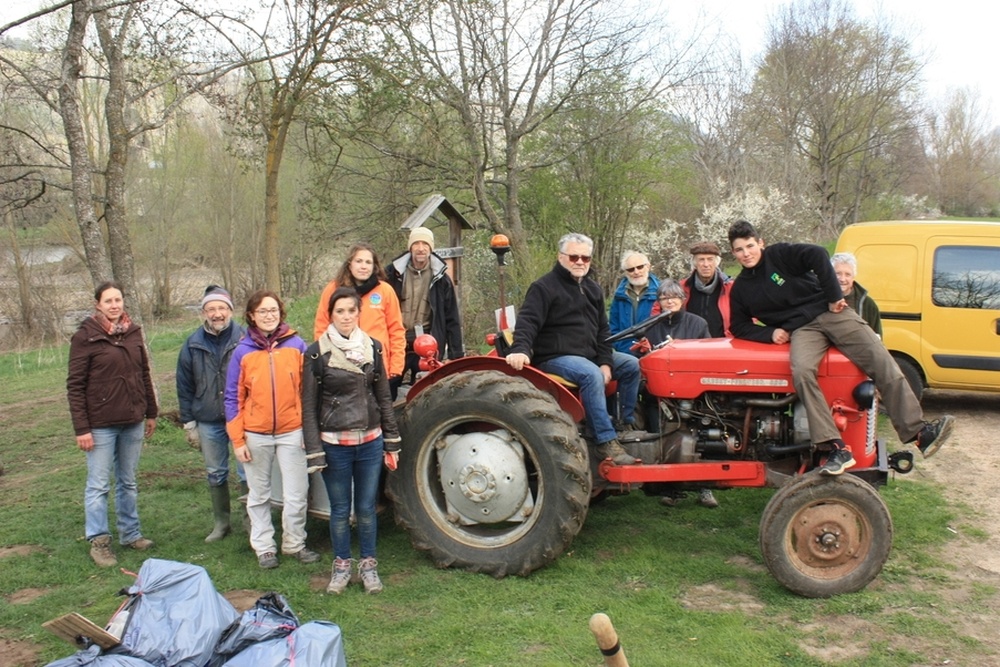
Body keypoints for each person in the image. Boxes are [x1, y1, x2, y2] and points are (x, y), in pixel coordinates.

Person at [727, 220, 955, 475]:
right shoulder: (741, 289)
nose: (746, 253)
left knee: (879, 358)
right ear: (733, 253)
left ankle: (918, 432)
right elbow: (738, 325)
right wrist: (771, 333)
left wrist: (835, 295)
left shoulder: (779, 255)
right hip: (802, 330)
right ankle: (834, 446)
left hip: (831, 311)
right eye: (739, 249)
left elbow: (818, 254)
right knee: (801, 371)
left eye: (749, 246)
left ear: (760, 243)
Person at [505, 232, 642, 465]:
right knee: (590, 374)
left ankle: (622, 423)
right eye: (574, 257)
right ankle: (604, 441)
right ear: (561, 257)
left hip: (588, 354)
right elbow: (528, 321)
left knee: (632, 364)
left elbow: (602, 331)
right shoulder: (543, 287)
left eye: (585, 258)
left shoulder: (593, 289)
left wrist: (606, 362)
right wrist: (520, 349)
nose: (580, 262)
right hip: (555, 356)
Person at [303, 287, 401, 595]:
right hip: (335, 444)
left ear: (359, 313)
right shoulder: (317, 352)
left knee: (367, 508)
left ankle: (369, 566)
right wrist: (315, 452)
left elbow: (383, 396)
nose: (346, 317)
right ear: (331, 315)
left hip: (370, 442)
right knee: (340, 509)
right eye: (339, 312)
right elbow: (308, 406)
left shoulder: (373, 347)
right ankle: (342, 565)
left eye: (351, 311)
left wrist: (391, 440)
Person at [225, 290, 321, 569]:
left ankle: (294, 543)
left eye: (273, 310)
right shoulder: (242, 352)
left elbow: (308, 391)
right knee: (259, 494)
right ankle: (264, 547)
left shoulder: (296, 346)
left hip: (292, 430)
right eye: (263, 311)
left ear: (281, 313)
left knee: (296, 493)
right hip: (255, 433)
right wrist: (238, 439)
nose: (269, 316)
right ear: (252, 316)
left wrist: (307, 429)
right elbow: (232, 397)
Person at [67, 281, 158, 567]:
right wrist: (82, 428)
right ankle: (99, 540)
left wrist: (151, 412)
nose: (114, 305)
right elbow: (75, 385)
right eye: (108, 301)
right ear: (98, 305)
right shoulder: (85, 337)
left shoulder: (132, 333)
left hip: (132, 420)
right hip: (100, 425)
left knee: (128, 481)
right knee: (98, 485)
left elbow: (144, 373)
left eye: (118, 300)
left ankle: (131, 533)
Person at [637, 279, 719, 509]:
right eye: (664, 297)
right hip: (659, 395)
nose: (669, 301)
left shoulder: (698, 323)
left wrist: (680, 349)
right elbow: (640, 358)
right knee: (663, 439)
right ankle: (671, 489)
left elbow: (709, 356)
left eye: (674, 297)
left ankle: (705, 488)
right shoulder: (650, 325)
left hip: (693, 395)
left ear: (683, 300)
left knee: (701, 439)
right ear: (659, 302)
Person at [176, 285, 248, 543]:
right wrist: (189, 422)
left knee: (246, 472)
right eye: (211, 309)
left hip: (240, 418)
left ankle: (250, 521)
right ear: (204, 313)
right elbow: (184, 385)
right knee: (215, 472)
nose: (217, 313)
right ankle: (222, 523)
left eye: (221, 308)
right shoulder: (193, 344)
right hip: (208, 419)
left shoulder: (245, 337)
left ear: (230, 310)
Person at [314, 243, 406, 398]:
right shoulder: (333, 289)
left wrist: (396, 367)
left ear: (375, 266)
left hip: (377, 367)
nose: (363, 266)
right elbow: (321, 326)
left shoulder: (385, 290)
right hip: (341, 367)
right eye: (359, 261)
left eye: (368, 262)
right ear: (350, 264)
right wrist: (325, 362)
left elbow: (396, 330)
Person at [386, 227, 465, 384]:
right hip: (397, 341)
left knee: (427, 389)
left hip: (428, 342)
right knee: (390, 386)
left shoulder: (441, 278)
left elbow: (452, 318)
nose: (421, 249)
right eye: (416, 244)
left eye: (425, 244)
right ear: (410, 247)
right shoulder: (392, 273)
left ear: (431, 248)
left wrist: (456, 356)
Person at [608, 251, 660, 355]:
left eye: (640, 267)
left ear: (648, 267)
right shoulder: (619, 296)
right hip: (627, 353)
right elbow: (614, 328)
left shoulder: (661, 292)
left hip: (655, 351)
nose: (636, 272)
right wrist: (626, 349)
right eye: (631, 269)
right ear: (625, 272)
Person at [680, 241, 733, 338]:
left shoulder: (730, 287)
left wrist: (731, 335)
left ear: (716, 262)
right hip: (689, 346)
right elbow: (660, 310)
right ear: (694, 263)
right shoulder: (682, 287)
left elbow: (749, 313)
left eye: (710, 259)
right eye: (701, 260)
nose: (706, 264)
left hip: (723, 345)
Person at [831, 252, 882, 337]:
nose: (842, 279)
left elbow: (877, 340)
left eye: (847, 274)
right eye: (838, 274)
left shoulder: (868, 304)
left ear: (853, 277)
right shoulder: (819, 300)